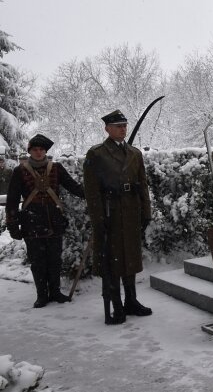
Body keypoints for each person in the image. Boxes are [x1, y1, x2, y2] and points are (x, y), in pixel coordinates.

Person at [83, 110, 153, 325]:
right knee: (112, 261)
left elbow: (143, 184)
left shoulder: (134, 153)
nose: (123, 129)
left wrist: (146, 211)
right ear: (107, 129)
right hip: (110, 212)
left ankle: (131, 301)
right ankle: (116, 305)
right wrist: (98, 219)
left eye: (124, 125)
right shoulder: (96, 154)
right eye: (118, 126)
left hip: (130, 212)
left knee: (129, 259)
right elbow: (91, 191)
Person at [4, 134, 85, 308]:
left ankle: (55, 292)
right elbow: (12, 200)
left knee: (55, 260)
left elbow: (73, 187)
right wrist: (12, 225)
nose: (39, 153)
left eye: (41, 150)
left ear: (46, 151)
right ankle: (42, 295)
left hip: (54, 221)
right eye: (35, 150)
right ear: (30, 151)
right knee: (37, 261)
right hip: (31, 222)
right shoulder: (19, 171)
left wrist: (92, 196)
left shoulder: (56, 168)